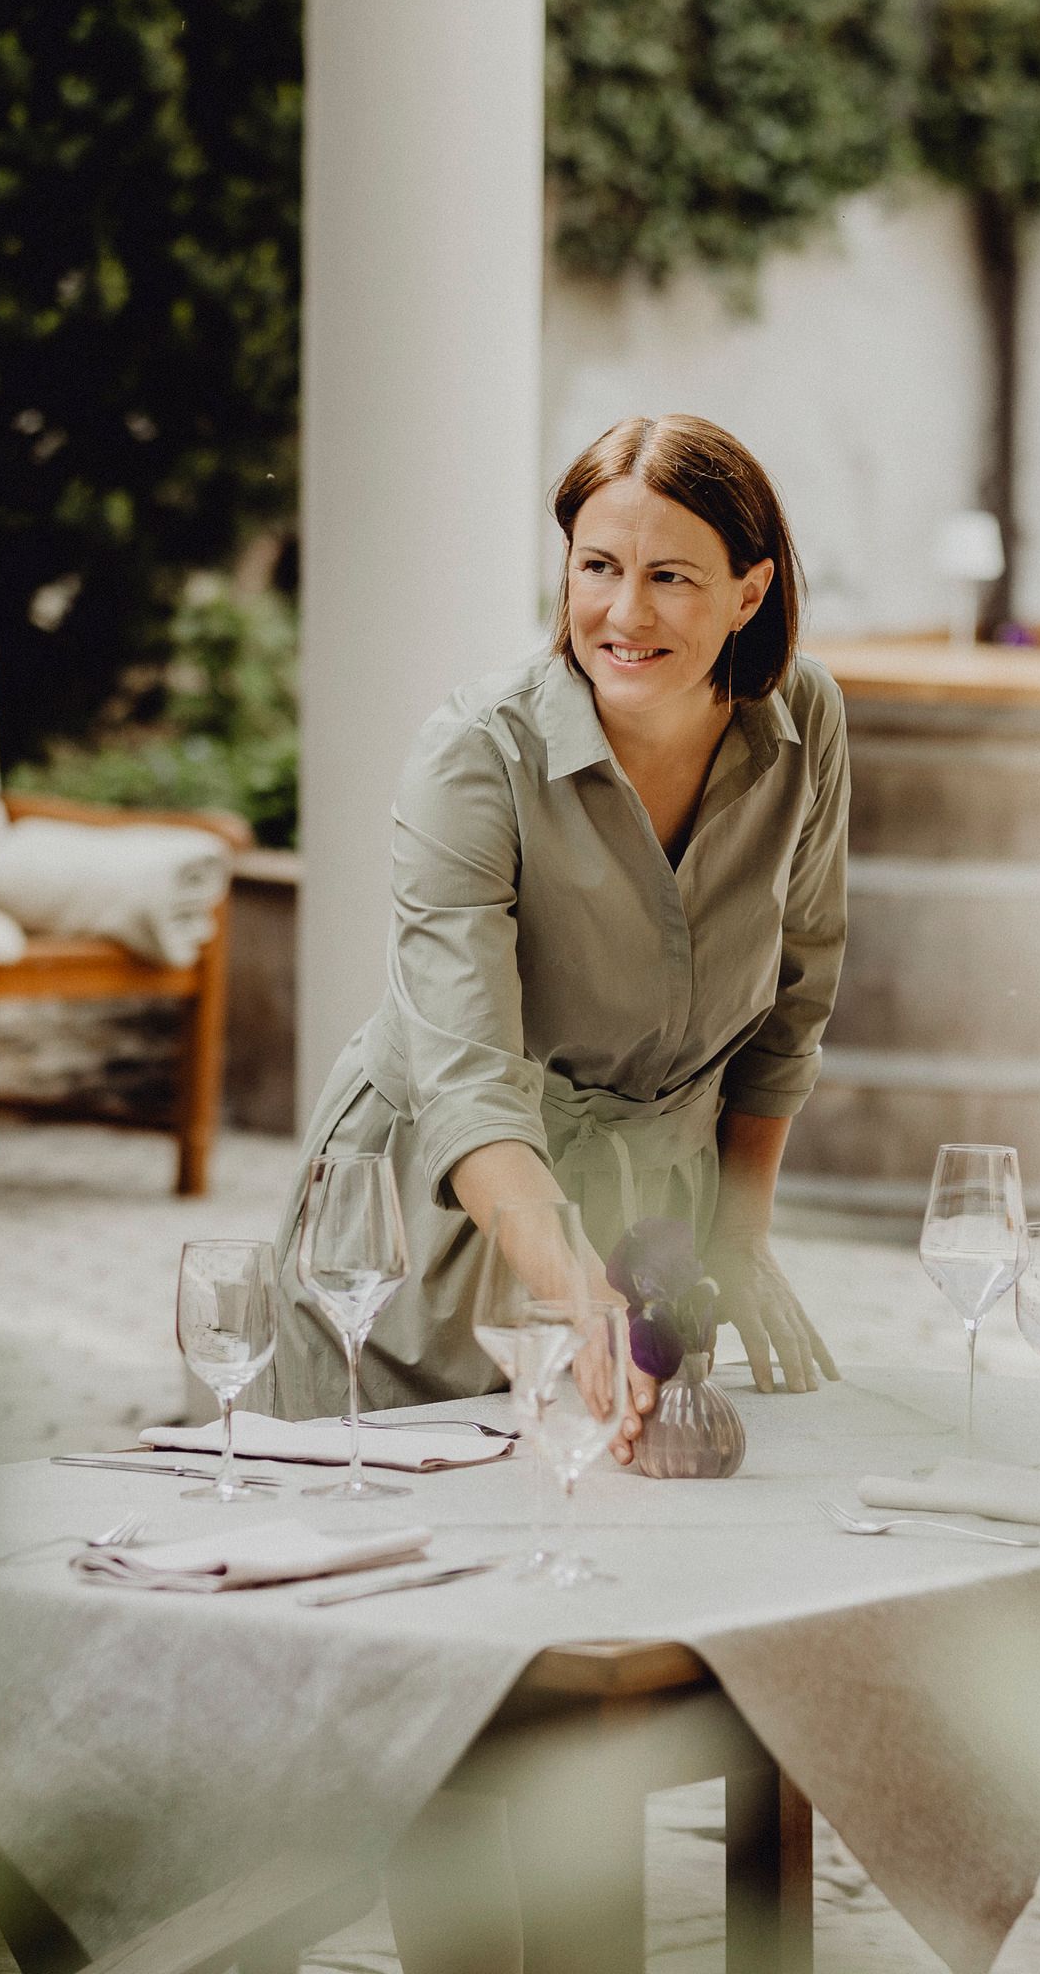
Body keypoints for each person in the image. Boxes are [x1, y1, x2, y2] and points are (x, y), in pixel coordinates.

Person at [269, 413, 849, 1450]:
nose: (624, 612)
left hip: (653, 1220)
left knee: (627, 1536)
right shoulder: (475, 756)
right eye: (597, 566)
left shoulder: (805, 725)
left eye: (672, 575)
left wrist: (738, 1237)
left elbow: (796, 1000)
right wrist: (583, 1298)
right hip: (439, 1214)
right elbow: (469, 1082)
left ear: (749, 592)